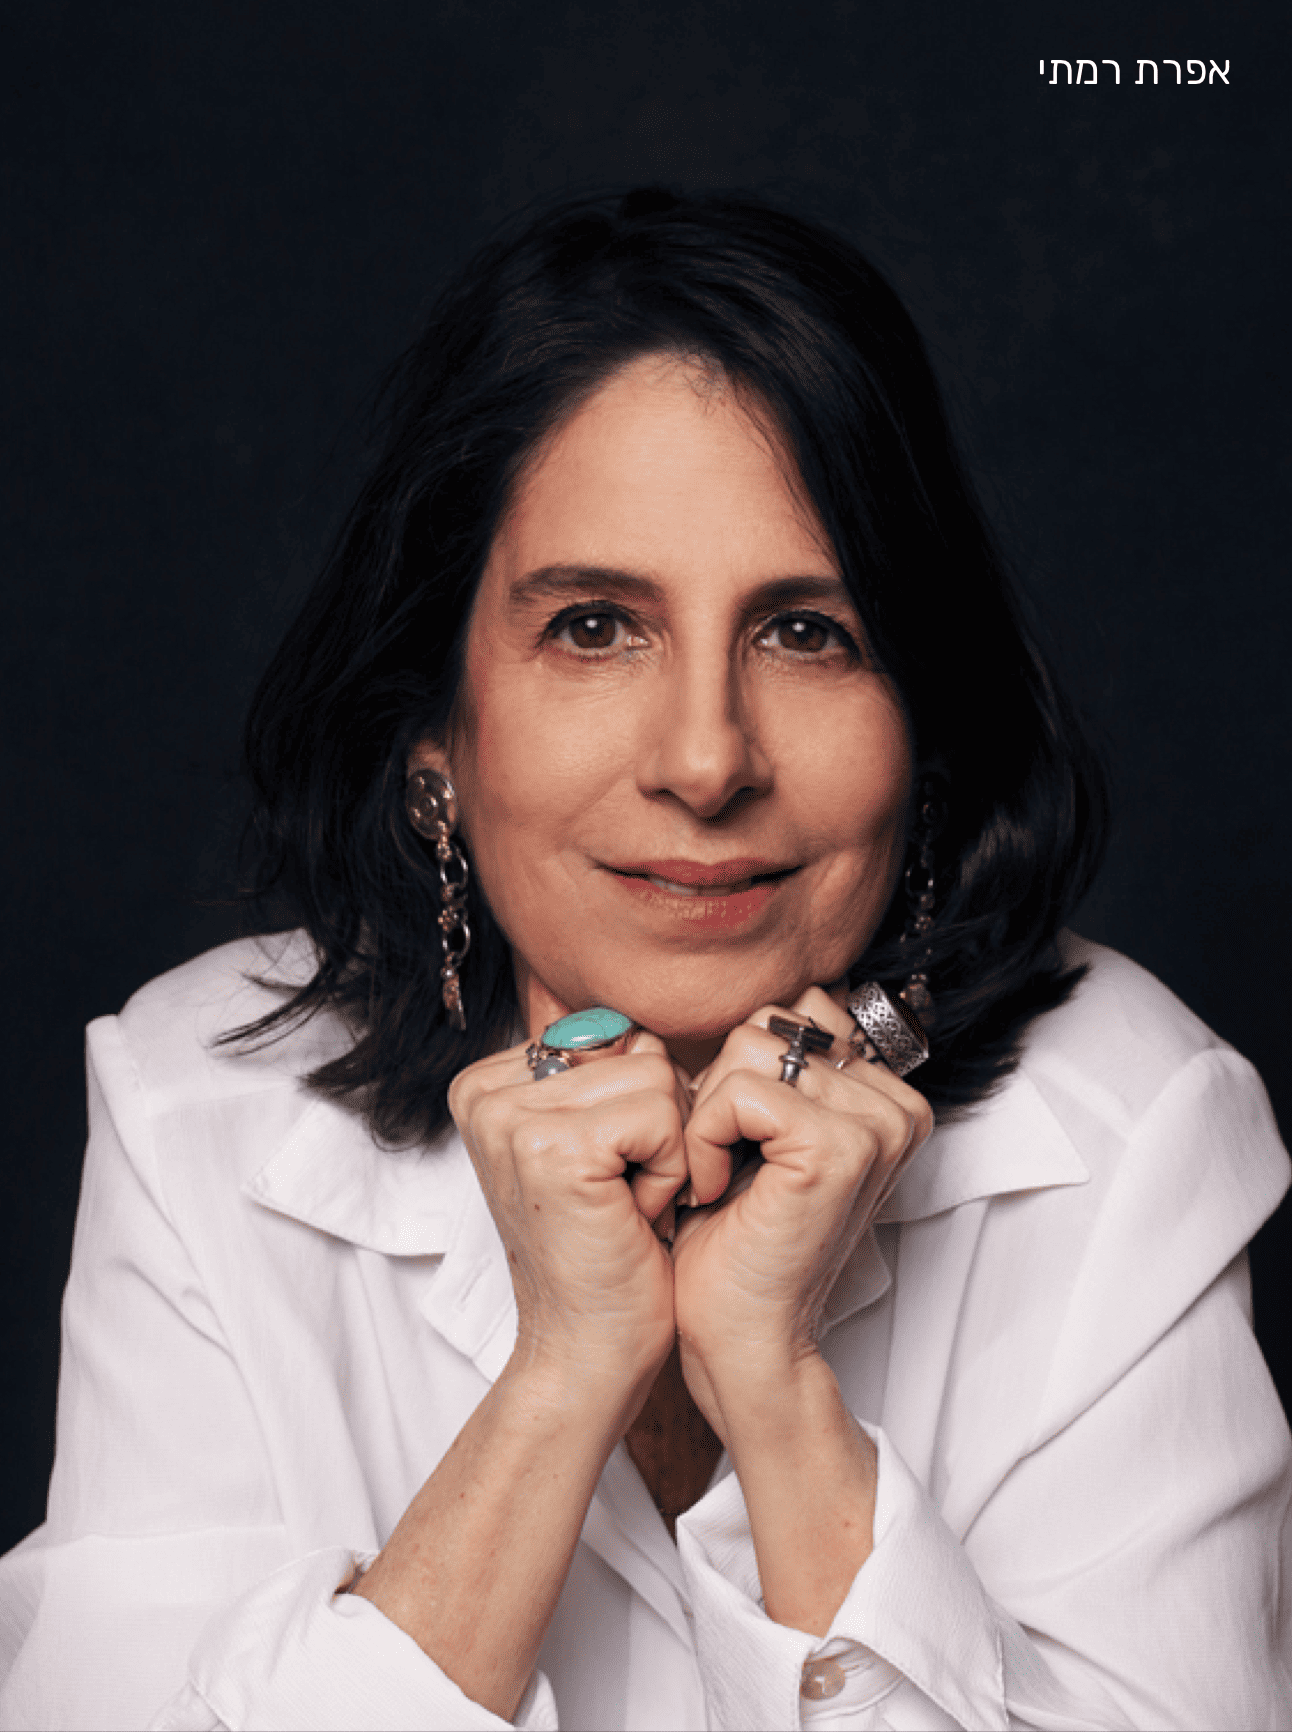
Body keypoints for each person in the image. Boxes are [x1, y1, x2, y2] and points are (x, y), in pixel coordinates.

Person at [1, 187, 1288, 1732]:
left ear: (927, 729)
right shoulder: (200, 1108)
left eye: (808, 632)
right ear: (435, 732)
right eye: (597, 627)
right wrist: (562, 1375)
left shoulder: (1130, 1127)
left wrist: (776, 1394)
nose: (704, 759)